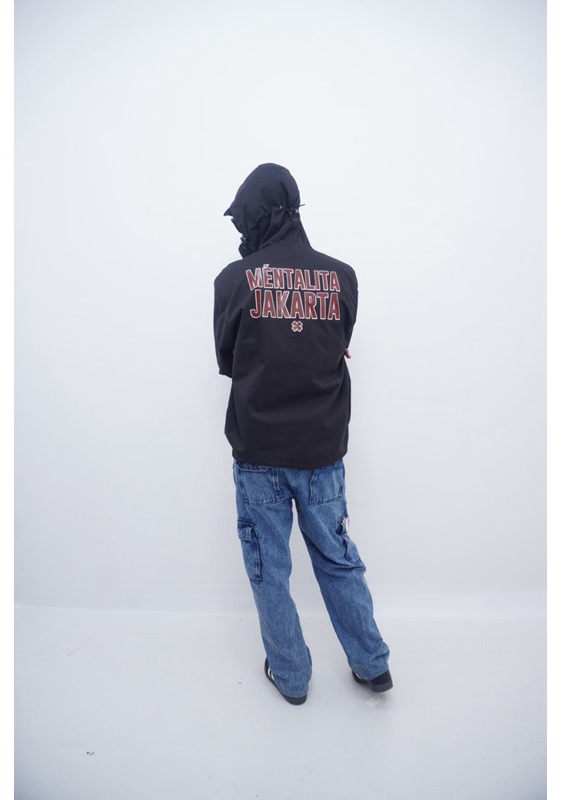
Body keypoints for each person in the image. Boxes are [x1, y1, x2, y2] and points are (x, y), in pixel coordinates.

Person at [213, 163, 391, 705]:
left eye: (243, 220)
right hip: (321, 451)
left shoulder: (232, 280)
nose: (241, 230)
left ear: (258, 215)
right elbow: (336, 344)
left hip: (259, 452)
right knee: (337, 558)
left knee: (268, 568)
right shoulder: (342, 276)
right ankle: (372, 665)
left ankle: (290, 677)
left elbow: (229, 361)